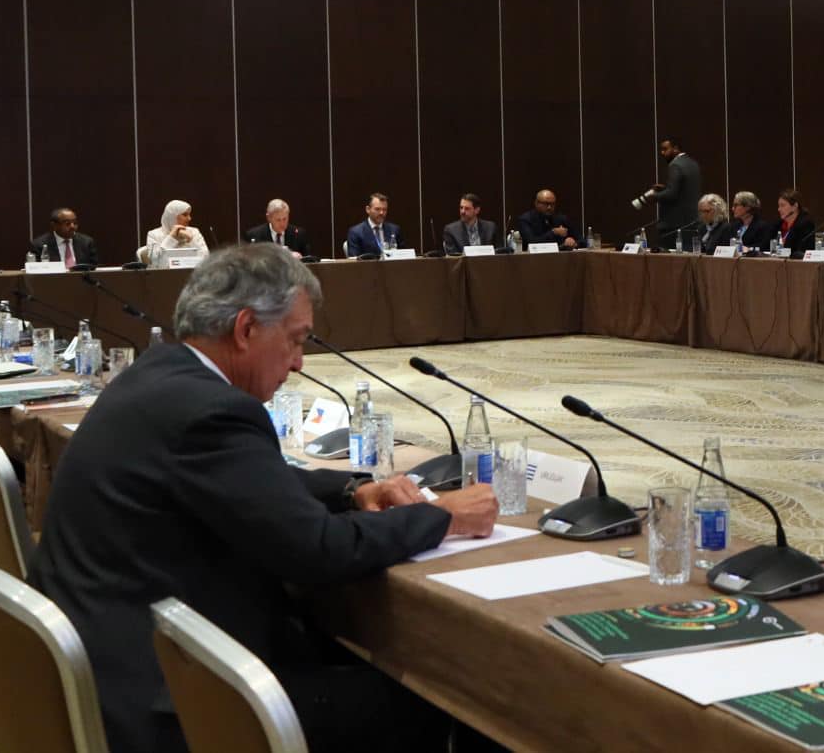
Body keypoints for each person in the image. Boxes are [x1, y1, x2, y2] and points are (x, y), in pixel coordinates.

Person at [27, 245, 498, 753]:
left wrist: (352, 490)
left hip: (110, 662)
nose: (298, 362)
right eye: (295, 339)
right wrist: (440, 517)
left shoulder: (158, 374)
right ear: (247, 328)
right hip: (167, 706)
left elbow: (247, 484)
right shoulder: (212, 411)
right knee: (448, 703)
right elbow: (319, 550)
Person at [635, 137, 701, 250]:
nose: (662, 153)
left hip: (673, 225)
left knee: (667, 258)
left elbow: (671, 194)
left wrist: (653, 197)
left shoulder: (675, 164)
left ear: (675, 148)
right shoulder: (693, 164)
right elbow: (684, 190)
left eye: (665, 149)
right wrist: (665, 188)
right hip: (691, 222)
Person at [143, 200, 210, 267]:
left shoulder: (194, 232)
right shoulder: (154, 234)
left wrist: (191, 240)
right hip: (166, 273)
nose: (189, 218)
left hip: (191, 273)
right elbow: (156, 263)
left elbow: (206, 260)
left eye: (189, 214)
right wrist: (171, 237)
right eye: (185, 215)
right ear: (172, 216)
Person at [30, 206, 98, 268]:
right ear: (54, 225)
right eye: (67, 223)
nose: (72, 226)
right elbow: (34, 271)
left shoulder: (86, 242)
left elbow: (94, 268)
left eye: (75, 223)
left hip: (80, 277)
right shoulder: (39, 245)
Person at [517, 189, 583, 251]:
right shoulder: (526, 219)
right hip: (533, 257)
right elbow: (531, 242)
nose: (549, 207)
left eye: (552, 204)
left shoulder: (561, 219)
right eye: (546, 204)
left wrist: (574, 243)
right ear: (536, 203)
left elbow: (582, 241)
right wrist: (553, 233)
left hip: (560, 256)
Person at [244, 199, 311, 258]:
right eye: (278, 220)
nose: (282, 223)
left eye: (284, 219)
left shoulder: (298, 234)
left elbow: (308, 261)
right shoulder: (255, 236)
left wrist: (299, 258)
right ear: (269, 218)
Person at [345, 193, 401, 258]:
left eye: (384, 209)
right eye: (377, 209)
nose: (381, 213)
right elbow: (354, 259)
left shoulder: (394, 230)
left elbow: (404, 255)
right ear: (368, 209)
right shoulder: (356, 232)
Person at [773, 188, 817, 255]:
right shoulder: (779, 224)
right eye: (779, 206)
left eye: (782, 205)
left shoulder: (805, 224)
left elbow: (801, 251)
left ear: (795, 206)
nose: (779, 209)